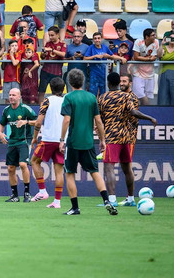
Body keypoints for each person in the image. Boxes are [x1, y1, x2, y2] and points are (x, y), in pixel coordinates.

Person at [59, 68, 118, 216]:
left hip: (73, 142)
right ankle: (106, 200)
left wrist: (61, 140)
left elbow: (66, 120)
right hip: (88, 142)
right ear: (83, 81)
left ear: (69, 82)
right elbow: (98, 121)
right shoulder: (91, 98)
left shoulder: (68, 97)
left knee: (69, 173)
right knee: (95, 172)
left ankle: (75, 208)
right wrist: (102, 140)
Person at [100, 72, 157, 208]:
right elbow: (134, 112)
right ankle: (130, 198)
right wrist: (150, 118)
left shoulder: (103, 98)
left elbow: (99, 118)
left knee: (109, 167)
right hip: (126, 137)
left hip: (112, 137)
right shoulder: (126, 96)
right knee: (127, 168)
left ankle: (112, 200)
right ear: (118, 83)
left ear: (108, 83)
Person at [30, 77, 66, 208]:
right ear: (63, 88)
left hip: (49, 139)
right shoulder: (66, 101)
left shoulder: (47, 101)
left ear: (50, 88)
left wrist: (35, 137)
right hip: (62, 140)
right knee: (59, 170)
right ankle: (57, 202)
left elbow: (39, 122)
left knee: (34, 161)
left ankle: (42, 191)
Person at [0, 87, 37, 202]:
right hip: (12, 141)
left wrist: (26, 122)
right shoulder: (6, 110)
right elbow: (2, 124)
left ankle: (27, 193)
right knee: (10, 168)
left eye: (14, 95)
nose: (11, 97)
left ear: (19, 97)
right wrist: (0, 133)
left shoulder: (25, 109)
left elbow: (38, 121)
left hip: (24, 140)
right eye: (10, 95)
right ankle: (15, 196)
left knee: (23, 164)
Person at [84, 32, 125, 96]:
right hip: (94, 75)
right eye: (95, 38)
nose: (97, 40)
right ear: (93, 40)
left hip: (104, 74)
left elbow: (112, 56)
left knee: (104, 94)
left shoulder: (105, 47)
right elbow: (85, 58)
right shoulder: (91, 47)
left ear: (101, 39)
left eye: (98, 38)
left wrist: (121, 58)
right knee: (92, 93)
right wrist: (95, 56)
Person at [38, 26, 67, 104]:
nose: (50, 37)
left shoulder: (62, 44)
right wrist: (43, 54)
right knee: (41, 90)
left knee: (57, 92)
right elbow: (42, 57)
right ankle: (40, 107)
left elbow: (63, 54)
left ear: (57, 34)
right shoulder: (48, 44)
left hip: (57, 72)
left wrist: (52, 50)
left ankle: (57, 106)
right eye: (49, 35)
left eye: (52, 35)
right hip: (46, 70)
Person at [132, 28, 159, 105]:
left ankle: (145, 112)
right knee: (140, 95)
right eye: (153, 35)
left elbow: (154, 57)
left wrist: (142, 58)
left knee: (147, 97)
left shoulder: (156, 42)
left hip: (150, 74)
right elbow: (136, 57)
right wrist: (148, 59)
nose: (155, 36)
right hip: (138, 73)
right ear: (147, 37)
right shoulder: (138, 42)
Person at [1, 40, 21, 104]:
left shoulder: (18, 54)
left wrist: (11, 55)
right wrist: (3, 60)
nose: (14, 47)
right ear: (9, 47)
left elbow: (15, 63)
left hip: (16, 79)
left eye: (16, 45)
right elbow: (3, 68)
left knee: (16, 99)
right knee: (7, 99)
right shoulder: (6, 55)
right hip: (7, 79)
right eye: (12, 46)